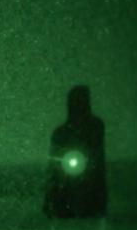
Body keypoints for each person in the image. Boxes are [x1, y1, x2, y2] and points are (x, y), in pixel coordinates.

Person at [43, 85, 107, 219]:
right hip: (73, 174)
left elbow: (96, 152)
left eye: (80, 100)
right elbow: (54, 165)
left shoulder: (95, 126)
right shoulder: (61, 133)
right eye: (76, 101)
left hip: (88, 175)